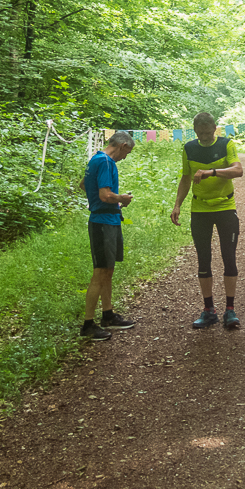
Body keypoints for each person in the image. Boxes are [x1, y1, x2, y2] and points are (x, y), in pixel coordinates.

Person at [171, 113, 244, 329]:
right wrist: (177, 205)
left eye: (207, 131)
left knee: (229, 257)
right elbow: (186, 177)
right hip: (200, 208)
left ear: (214, 127)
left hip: (225, 207)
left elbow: (238, 170)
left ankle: (230, 310)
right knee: (203, 259)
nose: (204, 135)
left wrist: (211, 172)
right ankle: (208, 309)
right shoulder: (189, 148)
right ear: (194, 130)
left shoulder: (226, 144)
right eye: (200, 132)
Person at [81, 131, 138, 341]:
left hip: (108, 220)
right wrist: (121, 198)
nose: (126, 157)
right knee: (100, 272)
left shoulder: (95, 159)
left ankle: (108, 314)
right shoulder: (106, 162)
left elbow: (83, 185)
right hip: (103, 223)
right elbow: (105, 195)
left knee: (107, 270)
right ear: (122, 145)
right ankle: (88, 324)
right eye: (127, 152)